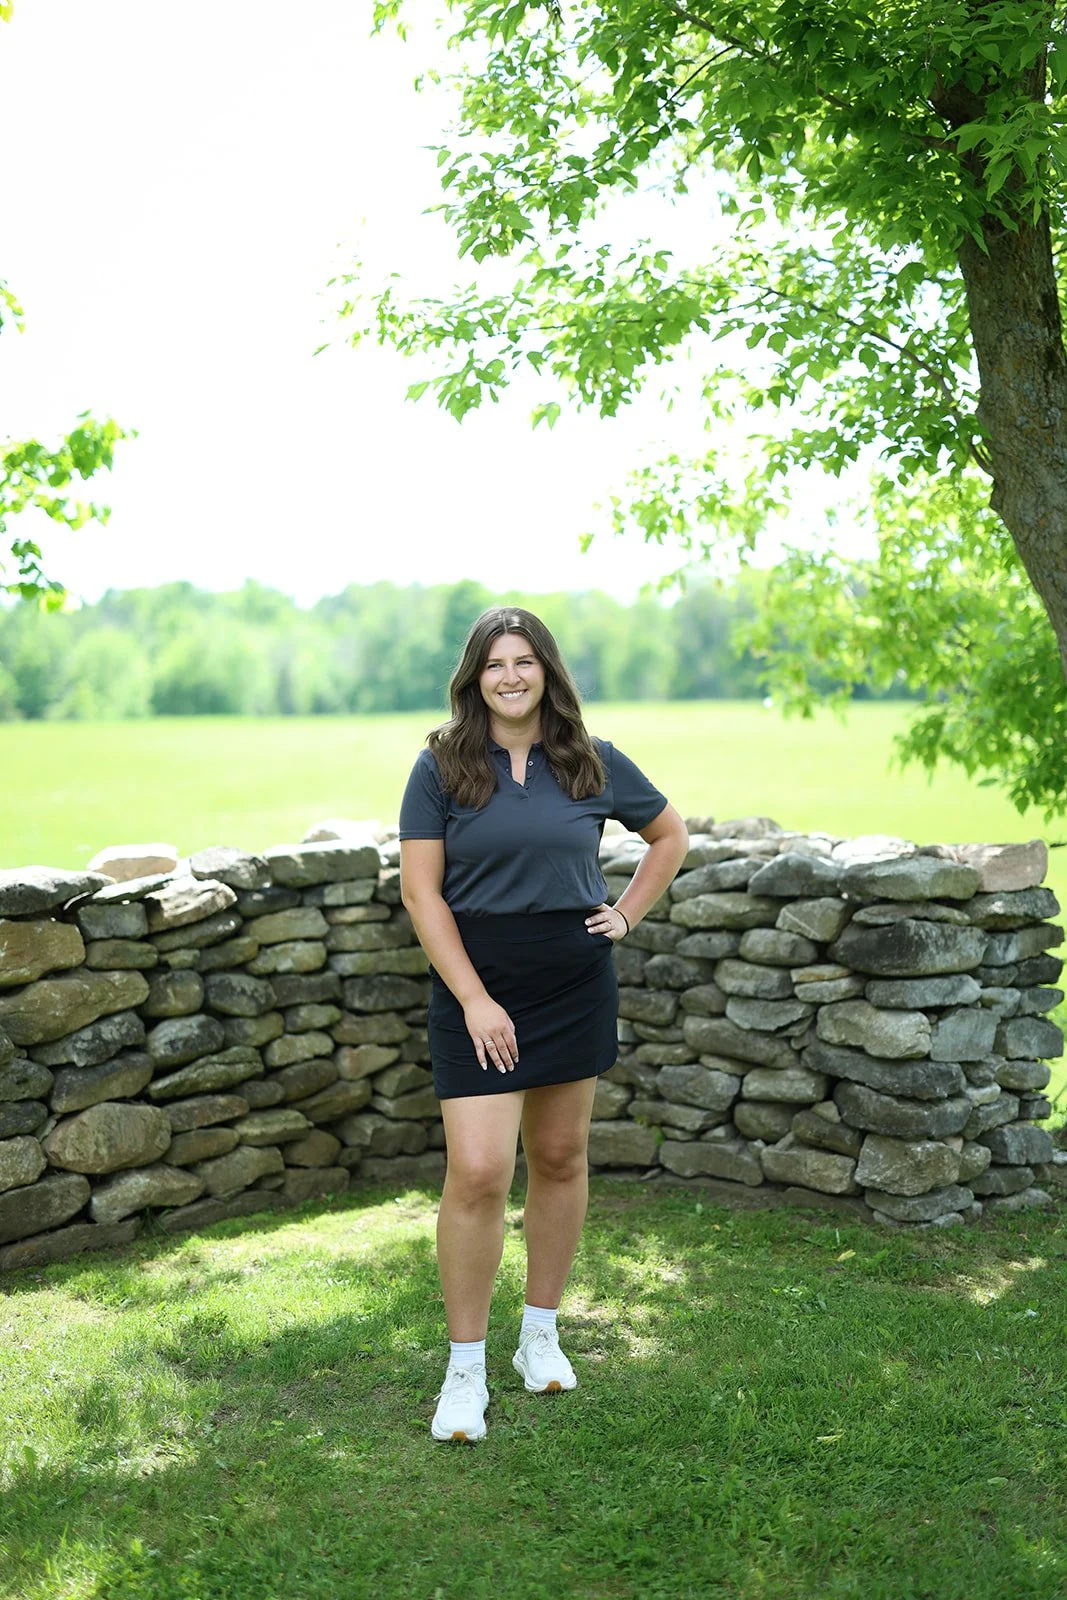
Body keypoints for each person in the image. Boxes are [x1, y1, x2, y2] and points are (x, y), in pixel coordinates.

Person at [398, 607, 689, 1443]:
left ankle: (539, 1335)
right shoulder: (440, 766)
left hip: (572, 982)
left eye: (524, 661)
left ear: (546, 671)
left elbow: (668, 836)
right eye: (495, 664)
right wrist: (473, 999)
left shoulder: (590, 759)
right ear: (474, 677)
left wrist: (625, 914)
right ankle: (464, 1370)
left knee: (559, 1158)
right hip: (478, 987)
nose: (510, 676)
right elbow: (421, 893)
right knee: (479, 1172)